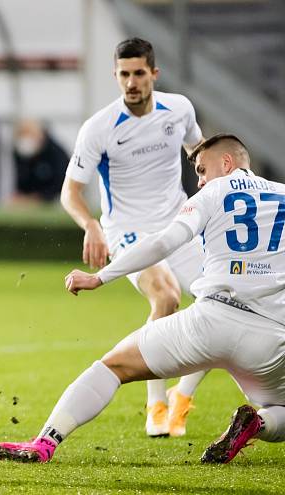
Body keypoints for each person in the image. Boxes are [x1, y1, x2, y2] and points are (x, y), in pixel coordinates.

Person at [0, 134, 285, 465]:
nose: (199, 181)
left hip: (209, 322)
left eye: (202, 170)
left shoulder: (214, 192)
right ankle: (257, 423)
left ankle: (44, 442)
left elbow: (162, 242)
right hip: (271, 337)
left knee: (112, 367)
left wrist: (100, 277)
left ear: (227, 164)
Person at [59, 38, 207, 438]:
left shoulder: (179, 109)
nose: (131, 82)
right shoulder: (100, 128)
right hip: (127, 230)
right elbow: (70, 191)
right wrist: (91, 225)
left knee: (227, 300)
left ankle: (182, 396)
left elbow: (198, 152)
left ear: (154, 74)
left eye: (139, 73)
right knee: (167, 297)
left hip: (180, 223)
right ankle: (155, 402)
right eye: (124, 74)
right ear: (115, 76)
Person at [12, 119, 69, 205]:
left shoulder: (56, 153)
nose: (26, 140)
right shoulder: (19, 153)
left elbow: (62, 182)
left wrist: (40, 197)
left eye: (29, 134)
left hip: (55, 201)